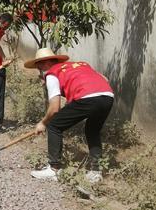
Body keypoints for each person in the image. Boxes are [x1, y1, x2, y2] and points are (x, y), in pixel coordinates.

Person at [24, 48, 115, 183]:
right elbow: (104, 79)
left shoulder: (52, 74)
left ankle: (54, 169)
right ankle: (96, 171)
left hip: (87, 98)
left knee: (54, 125)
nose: (39, 70)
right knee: (92, 130)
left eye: (39, 66)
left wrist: (43, 123)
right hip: (107, 95)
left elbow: (55, 108)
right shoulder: (80, 65)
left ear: (46, 63)